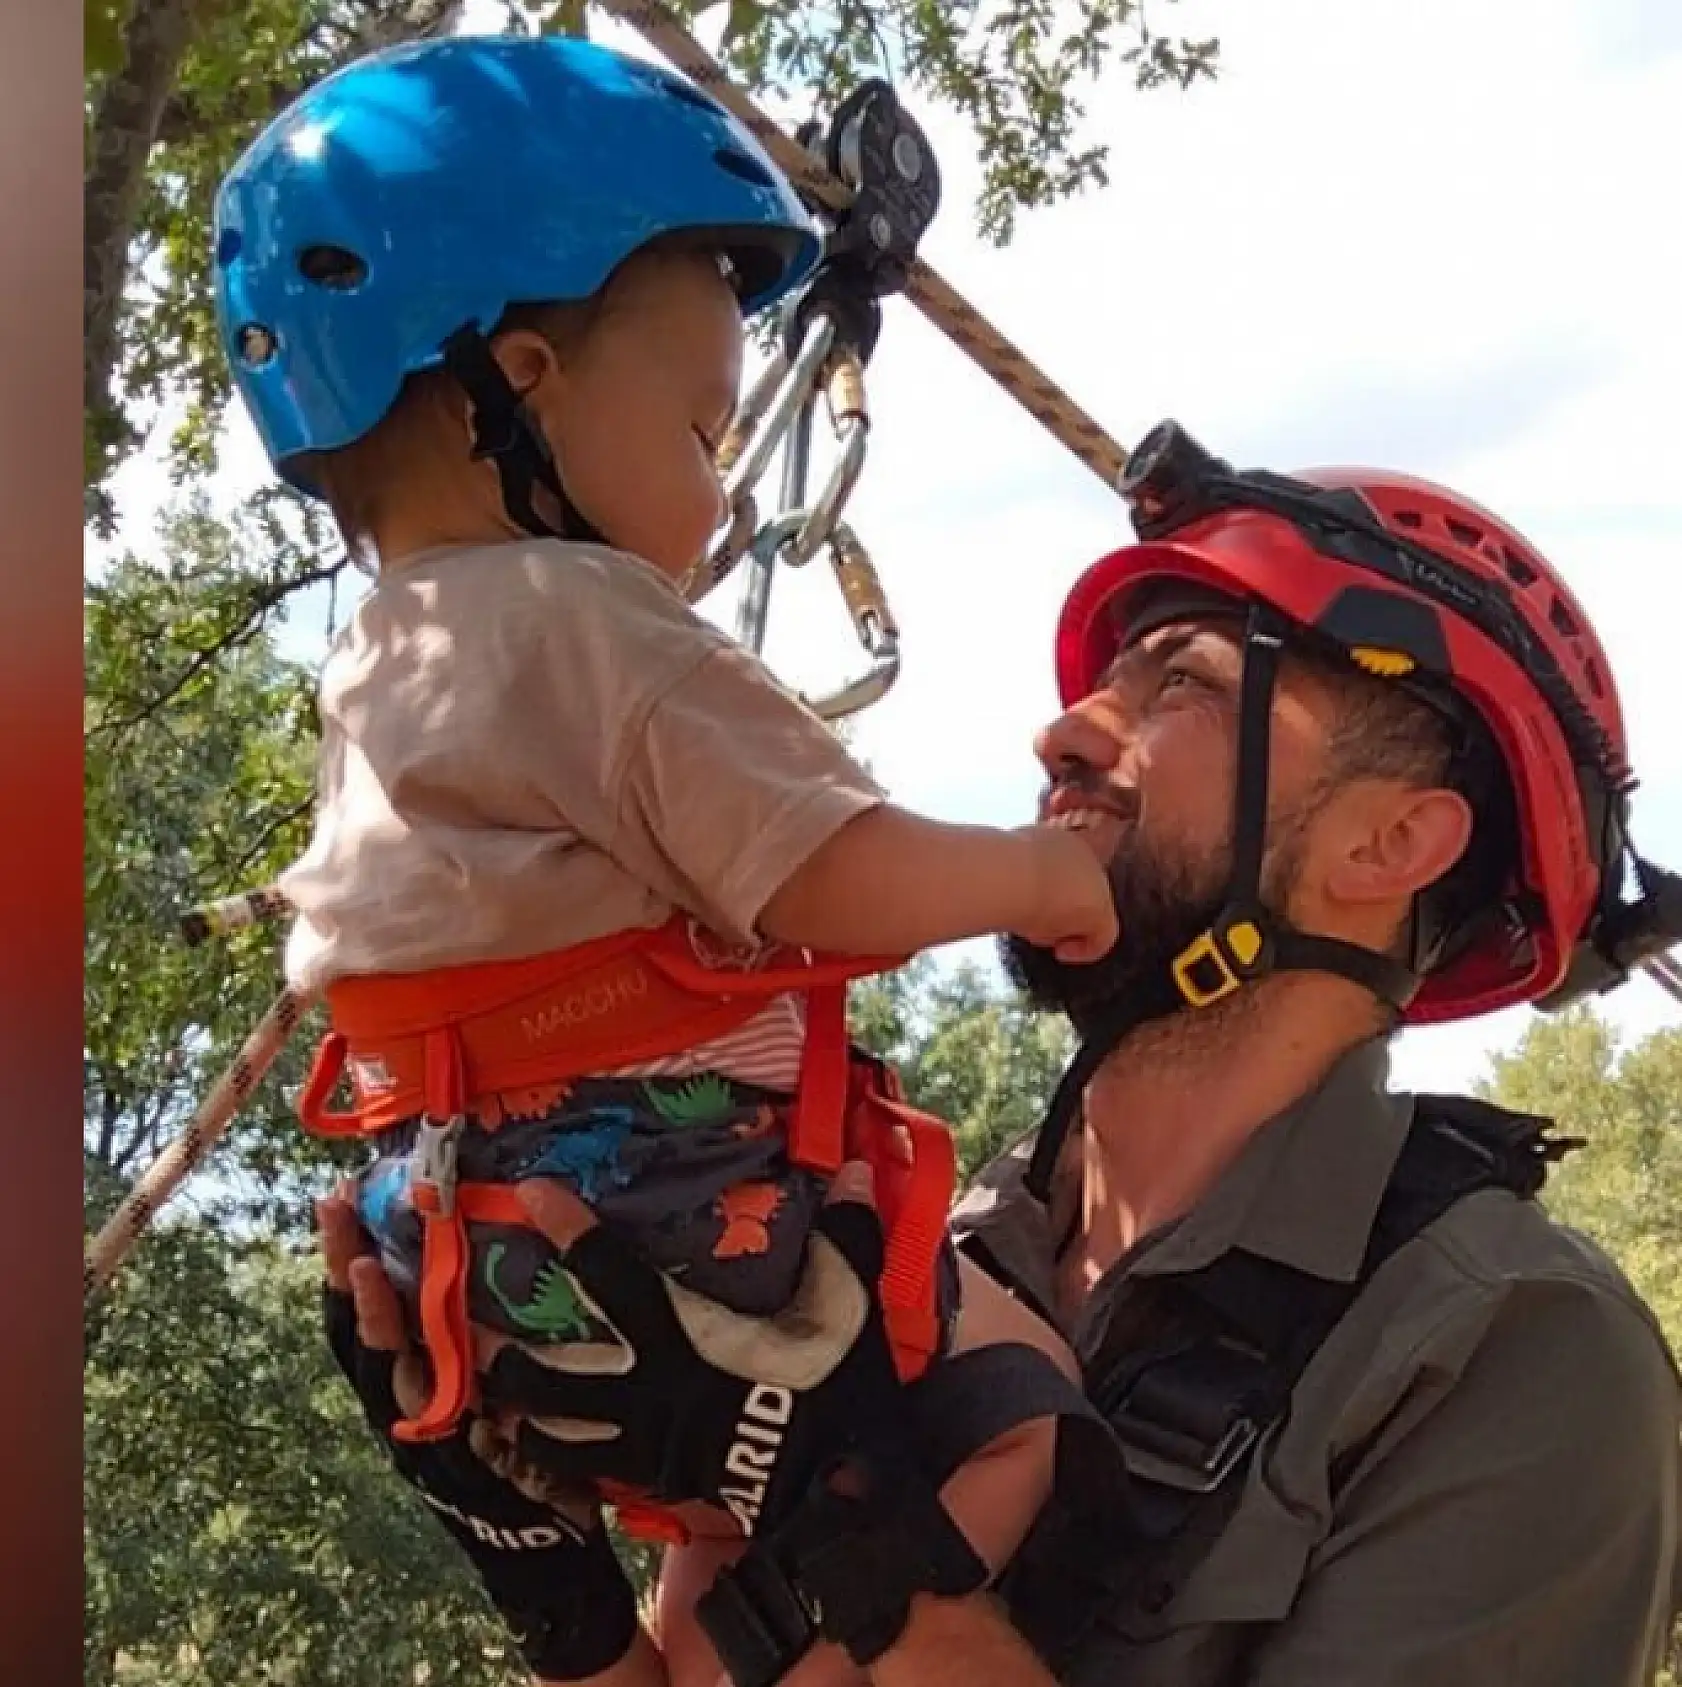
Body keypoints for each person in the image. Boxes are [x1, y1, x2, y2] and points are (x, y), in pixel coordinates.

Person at [322, 420, 1682, 1686]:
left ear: (1389, 843)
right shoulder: (924, 1250)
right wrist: (543, 1574)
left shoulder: (1503, 1351)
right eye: (1104, 679)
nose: (1065, 727)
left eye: (1185, 681)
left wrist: (846, 1539)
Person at [216, 31, 1114, 1687]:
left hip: (462, 1236)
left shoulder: (380, 671)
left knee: (715, 1548)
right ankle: (863, 1609)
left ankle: (714, 1626)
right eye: (706, 431)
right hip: (667, 1197)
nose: (719, 493)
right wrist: (1040, 879)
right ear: (524, 387)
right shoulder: (590, 624)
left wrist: (563, 1608)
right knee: (1007, 1412)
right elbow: (829, 880)